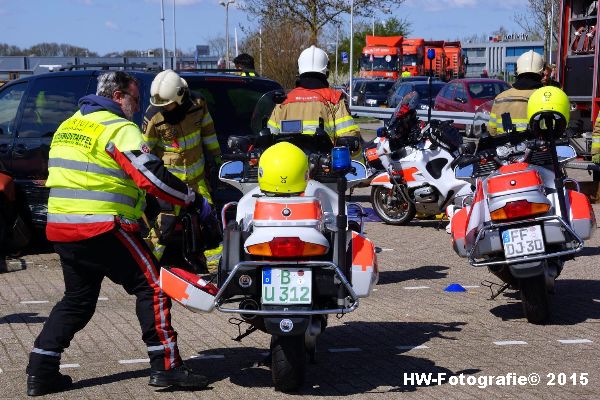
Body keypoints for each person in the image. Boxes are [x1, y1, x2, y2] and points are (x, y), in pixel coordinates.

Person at [26, 71, 211, 396]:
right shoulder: (119, 129)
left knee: (77, 300)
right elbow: (150, 176)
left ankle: (40, 372)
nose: (137, 107)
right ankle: (167, 369)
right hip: (102, 226)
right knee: (153, 286)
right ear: (117, 96)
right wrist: (190, 198)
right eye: (134, 99)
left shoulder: (70, 125)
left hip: (61, 227)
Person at [142, 70, 222, 269]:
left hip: (197, 181)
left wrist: (218, 160)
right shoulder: (153, 116)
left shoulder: (198, 105)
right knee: (164, 226)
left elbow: (209, 134)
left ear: (179, 96)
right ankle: (146, 269)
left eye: (167, 104)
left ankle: (216, 269)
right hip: (169, 184)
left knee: (209, 221)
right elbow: (144, 152)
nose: (164, 109)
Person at [268, 45, 360, 144]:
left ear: (299, 69)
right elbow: (348, 139)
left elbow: (270, 136)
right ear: (326, 71)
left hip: (288, 158)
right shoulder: (334, 99)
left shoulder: (284, 100)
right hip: (323, 157)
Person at [487, 50, 544, 136]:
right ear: (541, 73)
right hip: (535, 147)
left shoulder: (500, 98)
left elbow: (491, 130)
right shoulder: (544, 97)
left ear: (517, 72)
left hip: (503, 147)